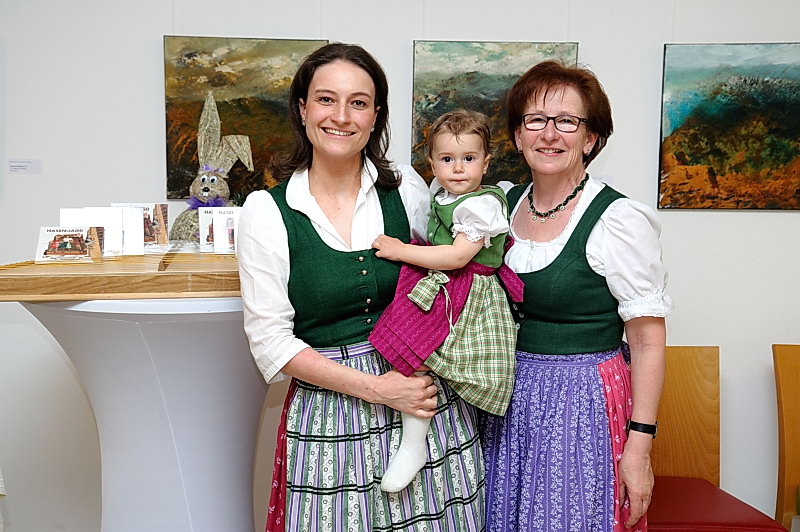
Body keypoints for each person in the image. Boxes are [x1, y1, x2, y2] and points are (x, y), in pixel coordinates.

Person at [237, 43, 484, 531]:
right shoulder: (266, 212)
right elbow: (271, 342)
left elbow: (454, 273)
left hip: (422, 401)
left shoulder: (406, 190)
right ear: (302, 109)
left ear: (375, 116)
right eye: (326, 99)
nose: (341, 116)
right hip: (331, 410)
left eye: (358, 103)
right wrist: (377, 389)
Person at [481, 60, 673, 532]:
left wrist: (639, 448)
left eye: (567, 121)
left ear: (590, 138)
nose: (550, 134)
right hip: (505, 402)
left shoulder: (617, 220)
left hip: (581, 404)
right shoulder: (499, 206)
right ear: (518, 135)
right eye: (535, 120)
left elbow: (648, 342)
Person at [369, 109, 519, 493]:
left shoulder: (481, 205)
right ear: (433, 164)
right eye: (447, 159)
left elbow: (456, 256)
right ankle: (414, 441)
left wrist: (400, 250)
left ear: (486, 162)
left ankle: (415, 445)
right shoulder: (441, 195)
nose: (458, 169)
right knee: (407, 349)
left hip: (470, 293)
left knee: (419, 350)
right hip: (447, 284)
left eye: (469, 158)